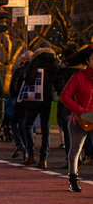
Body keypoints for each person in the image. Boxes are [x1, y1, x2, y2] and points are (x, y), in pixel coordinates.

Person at [58, 45, 93, 193]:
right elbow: (64, 96)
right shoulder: (78, 77)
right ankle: (73, 178)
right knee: (75, 149)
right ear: (87, 60)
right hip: (80, 119)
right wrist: (79, 110)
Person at [22, 41, 60, 169]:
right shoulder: (55, 62)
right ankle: (43, 158)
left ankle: (31, 155)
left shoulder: (36, 60)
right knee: (46, 128)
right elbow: (58, 81)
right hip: (47, 97)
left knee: (28, 125)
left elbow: (30, 79)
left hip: (34, 98)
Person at [55, 42, 82, 169]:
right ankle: (82, 156)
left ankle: (71, 160)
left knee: (69, 132)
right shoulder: (84, 72)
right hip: (83, 104)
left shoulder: (64, 71)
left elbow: (60, 89)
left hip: (68, 105)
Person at [9, 51, 34, 159]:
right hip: (31, 101)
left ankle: (19, 143)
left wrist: (15, 95)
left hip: (19, 100)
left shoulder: (19, 70)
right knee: (26, 125)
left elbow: (13, 87)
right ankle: (27, 151)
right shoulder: (36, 71)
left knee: (13, 121)